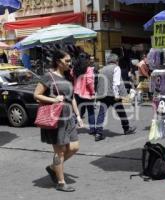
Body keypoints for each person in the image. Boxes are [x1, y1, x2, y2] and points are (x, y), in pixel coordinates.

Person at [33, 50, 83, 192]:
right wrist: (53, 99)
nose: (69, 63)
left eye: (69, 60)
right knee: (59, 151)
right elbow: (36, 95)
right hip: (56, 118)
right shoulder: (48, 76)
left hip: (69, 117)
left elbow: (72, 97)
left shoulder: (68, 76)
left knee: (74, 147)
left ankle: (53, 167)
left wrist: (78, 115)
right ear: (58, 61)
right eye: (67, 61)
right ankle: (61, 182)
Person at [95, 53, 136, 141]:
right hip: (113, 95)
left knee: (101, 113)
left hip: (103, 95)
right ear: (116, 61)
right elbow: (117, 82)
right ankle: (126, 128)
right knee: (121, 112)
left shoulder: (102, 69)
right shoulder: (116, 68)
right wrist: (119, 95)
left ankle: (98, 133)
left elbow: (99, 83)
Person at [72, 53, 96, 135]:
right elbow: (89, 82)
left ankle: (71, 128)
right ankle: (92, 129)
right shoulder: (88, 69)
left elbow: (72, 77)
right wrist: (92, 92)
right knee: (91, 111)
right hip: (86, 93)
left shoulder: (74, 69)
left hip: (77, 92)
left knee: (77, 111)